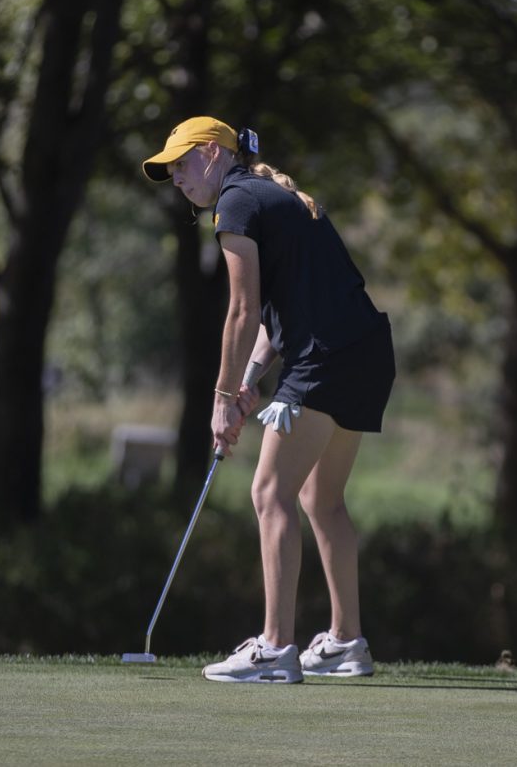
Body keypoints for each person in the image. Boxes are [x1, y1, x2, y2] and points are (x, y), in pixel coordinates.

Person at [141, 116, 395, 684]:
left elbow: (241, 310)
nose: (177, 179)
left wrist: (222, 397)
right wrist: (252, 376)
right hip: (366, 353)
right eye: (170, 172)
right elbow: (279, 318)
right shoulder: (272, 194)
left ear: (211, 153)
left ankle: (277, 649)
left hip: (326, 359)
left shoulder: (235, 202)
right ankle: (346, 643)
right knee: (319, 498)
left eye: (181, 164)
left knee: (268, 491)